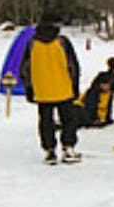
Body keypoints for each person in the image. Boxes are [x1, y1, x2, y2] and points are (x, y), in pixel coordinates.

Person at [19, 15, 82, 165]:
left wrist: (29, 88)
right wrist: (75, 86)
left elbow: (24, 69)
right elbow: (73, 66)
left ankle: (49, 150)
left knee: (46, 121)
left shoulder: (32, 43)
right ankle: (68, 147)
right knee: (68, 120)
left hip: (42, 90)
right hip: (64, 88)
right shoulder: (62, 42)